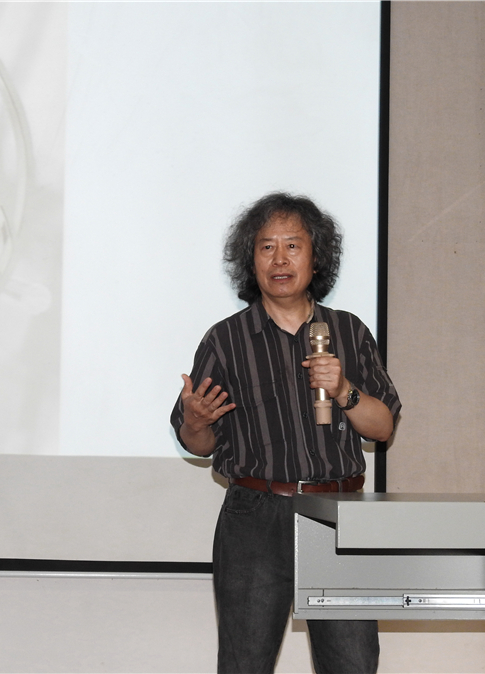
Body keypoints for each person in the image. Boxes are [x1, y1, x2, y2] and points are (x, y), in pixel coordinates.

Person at [170, 192, 401, 674]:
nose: (280, 260)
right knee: (245, 662)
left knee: (353, 662)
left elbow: (383, 427)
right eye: (266, 247)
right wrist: (196, 421)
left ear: (316, 258)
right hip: (255, 516)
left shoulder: (349, 331)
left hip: (338, 512)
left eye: (293, 246)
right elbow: (200, 444)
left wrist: (343, 389)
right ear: (250, 261)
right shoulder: (225, 340)